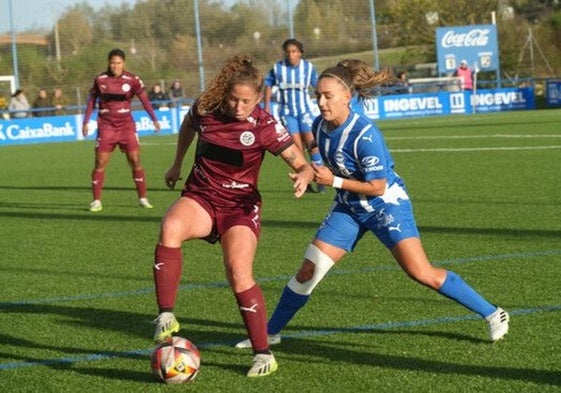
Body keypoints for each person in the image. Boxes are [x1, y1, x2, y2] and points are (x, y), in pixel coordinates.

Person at [235, 59, 510, 351]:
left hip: (385, 206)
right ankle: (271, 332)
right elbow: (317, 149)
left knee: (420, 272)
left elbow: (377, 186)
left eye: (328, 96)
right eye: (318, 95)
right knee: (308, 270)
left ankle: (493, 312)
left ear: (347, 98)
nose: (321, 102)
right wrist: (308, 170)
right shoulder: (320, 124)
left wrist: (333, 182)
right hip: (350, 208)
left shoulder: (366, 135)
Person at [151, 54, 314, 378]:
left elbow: (301, 162)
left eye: (246, 101)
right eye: (234, 99)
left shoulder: (265, 124)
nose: (239, 107)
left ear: (257, 96)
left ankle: (263, 354)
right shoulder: (206, 108)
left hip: (240, 206)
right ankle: (166, 315)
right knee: (170, 226)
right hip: (201, 197)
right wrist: (177, 163)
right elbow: (187, 124)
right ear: (224, 93)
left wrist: (304, 176)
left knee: (238, 272)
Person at [82, 48, 161, 212]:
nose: (115, 66)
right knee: (100, 162)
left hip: (126, 125)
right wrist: (86, 121)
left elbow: (145, 100)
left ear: (123, 63)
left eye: (118, 63)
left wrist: (154, 119)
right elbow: (91, 101)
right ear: (108, 63)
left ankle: (143, 198)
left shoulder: (132, 79)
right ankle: (96, 201)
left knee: (135, 160)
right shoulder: (100, 79)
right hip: (106, 125)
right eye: (112, 63)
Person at [264, 38, 323, 193]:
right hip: (287, 113)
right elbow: (268, 85)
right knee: (297, 147)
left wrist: (322, 102)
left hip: (305, 111)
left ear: (300, 53)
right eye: (288, 52)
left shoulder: (308, 68)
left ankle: (320, 176)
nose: (291, 55)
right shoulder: (278, 68)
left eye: (294, 51)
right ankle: (306, 181)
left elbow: (317, 86)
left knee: (313, 145)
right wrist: (267, 106)